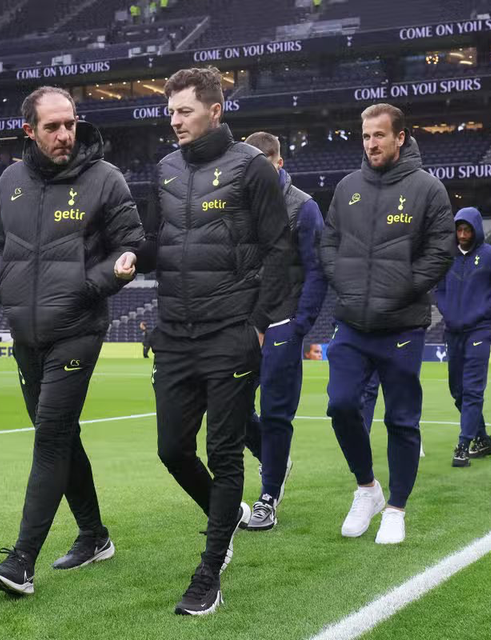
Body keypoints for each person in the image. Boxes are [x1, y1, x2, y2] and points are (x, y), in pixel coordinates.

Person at [134, 66, 291, 615]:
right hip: (175, 332)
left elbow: (279, 250)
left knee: (223, 454)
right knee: (171, 449)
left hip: (231, 331)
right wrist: (129, 255)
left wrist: (257, 323)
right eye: (170, 111)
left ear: (215, 111)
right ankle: (225, 520)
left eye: (183, 111)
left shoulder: (252, 168)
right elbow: (160, 242)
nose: (173, 121)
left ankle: (209, 570)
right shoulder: (165, 169)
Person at [0, 86, 143, 598]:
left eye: (69, 123)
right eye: (52, 127)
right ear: (29, 130)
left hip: (78, 329)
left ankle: (21, 561)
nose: (64, 134)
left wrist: (89, 286)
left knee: (49, 436)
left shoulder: (104, 179)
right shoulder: (10, 179)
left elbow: (132, 245)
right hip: (25, 334)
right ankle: (94, 536)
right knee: (63, 436)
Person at [319, 103, 453, 545]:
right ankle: (367, 489)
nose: (371, 143)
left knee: (401, 419)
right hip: (352, 323)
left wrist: (403, 288)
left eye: (379, 135)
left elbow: (440, 249)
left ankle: (396, 507)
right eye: (365, 136)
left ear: (400, 137)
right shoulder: (347, 187)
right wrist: (345, 283)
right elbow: (330, 242)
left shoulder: (428, 189)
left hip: (402, 326)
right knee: (340, 405)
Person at [241, 131, 327, 531]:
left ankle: (268, 496)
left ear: (277, 162)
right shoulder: (240, 204)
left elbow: (316, 271)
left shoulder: (303, 208)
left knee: (276, 413)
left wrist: (298, 326)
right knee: (230, 406)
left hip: (282, 320)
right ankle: (274, 457)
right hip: (243, 318)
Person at [435, 207, 491, 467]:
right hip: (452, 332)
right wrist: (448, 313)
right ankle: (483, 440)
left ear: (476, 229)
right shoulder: (449, 257)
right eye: (459, 229)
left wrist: (477, 314)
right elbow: (440, 290)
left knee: (472, 390)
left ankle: (463, 444)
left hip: (479, 332)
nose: (463, 234)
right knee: (456, 390)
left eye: (467, 229)